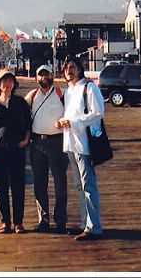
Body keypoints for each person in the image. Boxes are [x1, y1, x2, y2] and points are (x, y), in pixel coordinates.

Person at [57, 55, 105, 241]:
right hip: (70, 142)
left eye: (73, 67)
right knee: (79, 186)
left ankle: (94, 227)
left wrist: (73, 122)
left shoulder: (89, 87)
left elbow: (98, 112)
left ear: (79, 69)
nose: (69, 70)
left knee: (89, 185)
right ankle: (85, 224)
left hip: (85, 143)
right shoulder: (69, 91)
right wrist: (62, 123)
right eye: (66, 67)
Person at [0, 68, 31, 234]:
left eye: (10, 80)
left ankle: (18, 222)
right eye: (4, 81)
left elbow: (28, 123)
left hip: (17, 151)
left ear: (14, 83)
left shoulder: (20, 103)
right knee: (1, 189)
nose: (7, 83)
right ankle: (6, 222)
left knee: (18, 188)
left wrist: (25, 140)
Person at [24, 64, 68, 233]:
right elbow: (17, 108)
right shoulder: (32, 96)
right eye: (40, 75)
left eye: (47, 74)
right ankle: (43, 220)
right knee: (39, 184)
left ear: (52, 76)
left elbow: (76, 109)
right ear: (37, 78)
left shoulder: (61, 93)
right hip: (37, 144)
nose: (44, 78)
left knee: (60, 183)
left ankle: (60, 221)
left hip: (57, 142)